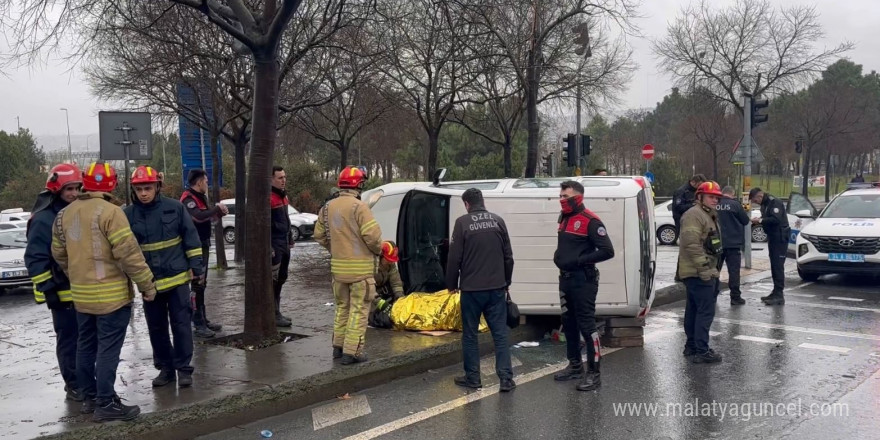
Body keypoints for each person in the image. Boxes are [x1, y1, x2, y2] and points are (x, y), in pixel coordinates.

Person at [52, 161, 157, 422]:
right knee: (107, 350)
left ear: (85, 183)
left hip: (81, 296)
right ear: (112, 185)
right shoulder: (111, 212)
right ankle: (106, 402)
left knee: (84, 347)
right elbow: (129, 255)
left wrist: (76, 274)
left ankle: (88, 398)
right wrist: (147, 285)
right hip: (111, 298)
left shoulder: (64, 214)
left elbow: (58, 252)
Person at [124, 166, 204, 388]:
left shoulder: (175, 208)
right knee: (156, 328)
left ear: (157, 187)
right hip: (149, 284)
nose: (143, 193)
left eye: (147, 188)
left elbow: (191, 239)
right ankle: (166, 369)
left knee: (181, 326)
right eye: (139, 189)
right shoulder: (127, 215)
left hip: (177, 280)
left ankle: (184, 369)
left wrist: (197, 268)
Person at [446, 188, 516, 392]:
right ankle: (505, 379)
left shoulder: (462, 223)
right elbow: (508, 256)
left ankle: (473, 378)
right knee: (500, 334)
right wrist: (507, 280)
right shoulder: (498, 221)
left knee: (470, 335)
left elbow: (454, 258)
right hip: (496, 289)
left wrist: (451, 284)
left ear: (467, 204)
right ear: (482, 201)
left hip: (472, 290)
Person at [24, 163, 83, 402]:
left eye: (77, 188)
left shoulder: (75, 212)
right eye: (69, 189)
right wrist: (48, 289)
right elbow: (35, 258)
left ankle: (86, 381)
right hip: (60, 292)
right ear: (57, 189)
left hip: (82, 290)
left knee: (85, 339)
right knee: (69, 340)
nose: (74, 193)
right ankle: (74, 384)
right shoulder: (43, 219)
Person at [314, 166, 383, 365]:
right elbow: (373, 237)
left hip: (338, 270)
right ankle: (353, 352)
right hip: (360, 271)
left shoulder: (327, 207)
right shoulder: (359, 207)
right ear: (358, 185)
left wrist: (335, 248)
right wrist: (376, 251)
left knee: (342, 308)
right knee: (359, 310)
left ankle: (338, 346)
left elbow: (319, 235)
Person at [552, 181, 615, 391]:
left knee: (587, 326)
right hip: (565, 279)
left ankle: (594, 373)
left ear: (578, 197)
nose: (562, 199)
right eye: (560, 195)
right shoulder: (564, 217)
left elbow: (607, 251)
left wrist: (580, 260)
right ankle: (575, 365)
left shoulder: (591, 221)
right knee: (568, 324)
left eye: (566, 196)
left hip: (583, 280)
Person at [678, 181, 724, 364]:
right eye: (711, 196)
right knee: (705, 312)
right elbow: (692, 245)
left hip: (700, 271)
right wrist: (705, 270)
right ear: (700, 197)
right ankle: (701, 350)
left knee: (694, 310)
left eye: (717, 197)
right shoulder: (695, 215)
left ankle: (691, 347)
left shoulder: (706, 214)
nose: (715, 200)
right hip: (699, 272)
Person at [180, 169, 228, 338]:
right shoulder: (188, 198)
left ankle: (203, 318)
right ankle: (197, 322)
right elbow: (198, 217)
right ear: (199, 182)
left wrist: (218, 214)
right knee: (197, 284)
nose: (207, 184)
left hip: (203, 244)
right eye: (206, 181)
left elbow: (208, 219)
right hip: (194, 247)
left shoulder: (201, 198)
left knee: (202, 283)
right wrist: (216, 209)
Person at [749, 187, 790, 305]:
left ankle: (779, 295)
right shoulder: (765, 204)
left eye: (755, 200)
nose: (755, 203)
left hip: (780, 238)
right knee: (774, 265)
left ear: (760, 195)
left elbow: (775, 219)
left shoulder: (774, 202)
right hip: (773, 237)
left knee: (778, 266)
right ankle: (776, 291)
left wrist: (760, 221)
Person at [270, 166, 295, 327]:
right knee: (273, 280)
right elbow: (266, 225)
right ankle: (274, 313)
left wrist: (290, 238)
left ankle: (277, 311)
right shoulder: (269, 198)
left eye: (284, 177)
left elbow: (286, 219)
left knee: (282, 278)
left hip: (284, 242)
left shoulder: (283, 197)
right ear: (271, 179)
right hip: (275, 243)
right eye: (280, 178)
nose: (283, 180)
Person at [716, 186, 749, 305]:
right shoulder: (735, 205)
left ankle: (712, 294)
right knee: (734, 272)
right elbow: (745, 221)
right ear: (732, 194)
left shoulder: (715, 203)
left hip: (717, 243)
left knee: (715, 270)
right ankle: (735, 297)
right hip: (733, 243)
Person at [672, 174, 707, 238]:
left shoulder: (697, 191)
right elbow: (678, 208)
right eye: (699, 185)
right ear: (693, 182)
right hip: (683, 221)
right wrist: (693, 205)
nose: (700, 187)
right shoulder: (681, 191)